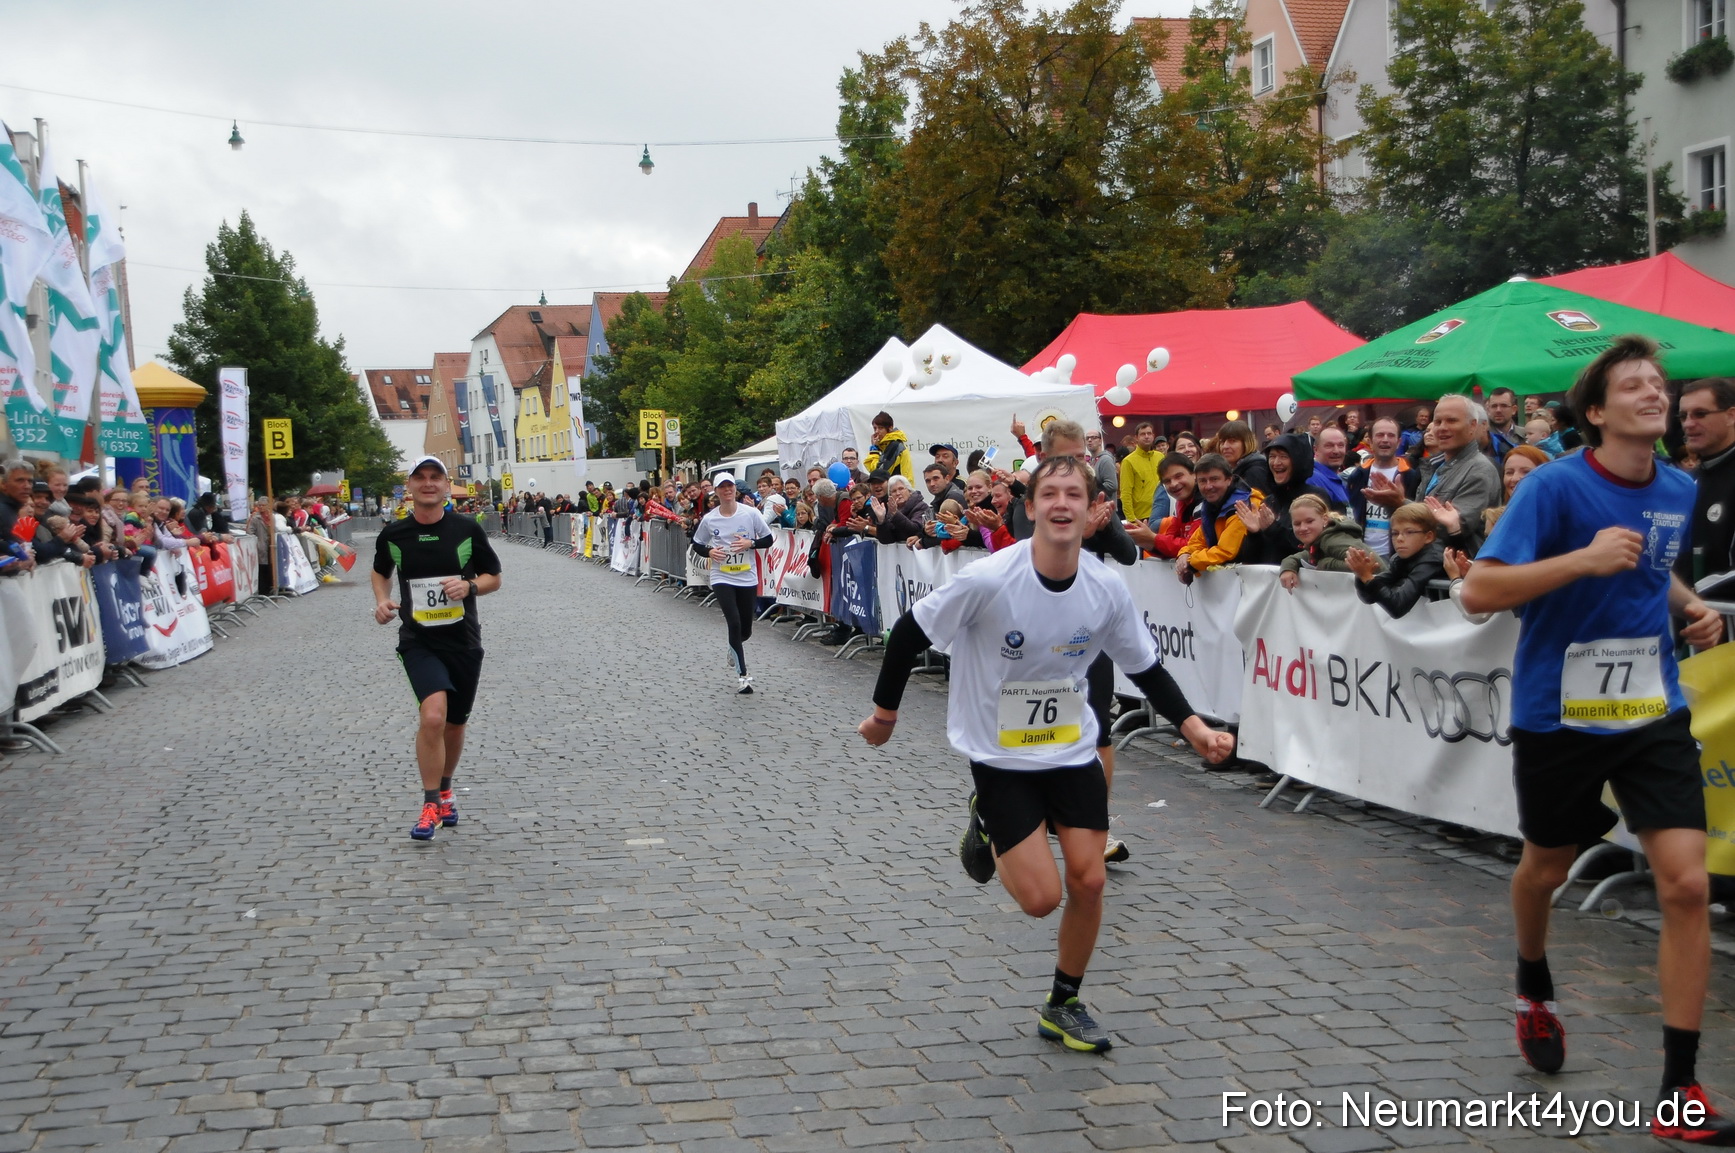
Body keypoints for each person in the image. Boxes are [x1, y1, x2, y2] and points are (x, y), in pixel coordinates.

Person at [857, 455, 1235, 1053]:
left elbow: (1146, 667)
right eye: (1050, 494)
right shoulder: (989, 579)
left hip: (1070, 748)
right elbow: (907, 634)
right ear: (1029, 507)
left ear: (1093, 510)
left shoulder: (1105, 587)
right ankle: (985, 818)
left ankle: (1064, 1003)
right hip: (999, 754)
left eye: (1074, 495)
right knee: (1040, 900)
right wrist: (885, 716)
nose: (1062, 504)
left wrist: (1195, 730)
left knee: (1089, 879)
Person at [1459, 335, 1734, 1141]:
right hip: (1559, 715)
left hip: (1651, 710)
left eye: (1659, 384)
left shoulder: (1677, 485)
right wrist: (1580, 560)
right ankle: (1531, 979)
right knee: (1544, 868)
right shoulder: (1553, 486)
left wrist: (1689, 605)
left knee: (1686, 885)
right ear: (1595, 411)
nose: (1655, 394)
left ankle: (1678, 1088)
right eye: (1634, 385)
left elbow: (1650, 567)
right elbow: (1478, 589)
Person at [371, 456, 503, 841]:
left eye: (435, 477)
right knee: (432, 717)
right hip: (419, 640)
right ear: (409, 486)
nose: (428, 483)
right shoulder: (394, 534)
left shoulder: (466, 529)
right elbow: (380, 570)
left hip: (463, 640)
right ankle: (430, 804)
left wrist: (470, 586)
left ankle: (445, 789)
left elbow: (494, 576)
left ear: (446, 486)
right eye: (420, 477)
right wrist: (382, 600)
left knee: (455, 723)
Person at [690, 476, 774, 693]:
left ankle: (733, 646)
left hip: (747, 577)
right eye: (722, 487)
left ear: (735, 489)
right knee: (734, 623)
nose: (727, 490)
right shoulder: (710, 519)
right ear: (716, 492)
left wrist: (750, 543)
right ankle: (743, 676)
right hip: (722, 577)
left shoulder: (751, 513)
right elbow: (697, 543)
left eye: (730, 486)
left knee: (745, 630)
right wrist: (710, 552)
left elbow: (768, 539)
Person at [1416, 394, 1501, 555]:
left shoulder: (1479, 469)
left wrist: (1400, 505)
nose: (1442, 427)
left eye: (1452, 421)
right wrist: (1397, 502)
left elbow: (1454, 527)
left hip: (1452, 565)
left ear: (1472, 426)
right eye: (1438, 422)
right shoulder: (1435, 465)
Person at [1677, 378, 1735, 586]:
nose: (1688, 424)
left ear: (1731, 416)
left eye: (1700, 414)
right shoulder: (1687, 481)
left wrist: (1697, 594)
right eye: (1683, 416)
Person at [1345, 502, 1443, 618]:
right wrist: (1362, 575)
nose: (1399, 538)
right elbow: (1369, 598)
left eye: (1409, 532)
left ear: (1428, 537)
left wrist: (1366, 576)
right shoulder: (1399, 558)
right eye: (1395, 533)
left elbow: (1398, 607)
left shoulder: (1432, 560)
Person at [1175, 454, 1258, 580]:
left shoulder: (1243, 505)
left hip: (1252, 582)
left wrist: (1191, 562)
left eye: (1214, 479)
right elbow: (1197, 541)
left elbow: (1226, 551)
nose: (1208, 486)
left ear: (1229, 479)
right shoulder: (1212, 505)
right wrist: (1185, 553)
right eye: (1202, 481)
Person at [1345, 417, 1418, 557]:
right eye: (1380, 435)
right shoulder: (1357, 475)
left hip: (1397, 555)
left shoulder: (1411, 477)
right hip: (1362, 553)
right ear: (1370, 441)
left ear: (1399, 442)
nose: (1385, 439)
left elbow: (1418, 518)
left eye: (1391, 435)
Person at [1278, 495, 1367, 591]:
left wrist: (1324, 563)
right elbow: (1300, 557)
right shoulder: (1319, 541)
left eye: (1309, 521)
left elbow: (1369, 564)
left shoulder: (1332, 540)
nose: (1303, 528)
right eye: (1297, 524)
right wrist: (1288, 568)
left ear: (1325, 519)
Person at [1117, 422, 1162, 522]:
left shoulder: (1160, 457)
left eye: (1149, 433)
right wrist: (1132, 520)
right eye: (1143, 434)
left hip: (1162, 512)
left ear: (1153, 436)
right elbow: (1125, 493)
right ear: (1136, 438)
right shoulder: (1128, 461)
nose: (1146, 436)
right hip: (1142, 517)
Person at [864, 412, 914, 484]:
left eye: (880, 428)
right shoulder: (887, 445)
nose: (877, 431)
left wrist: (874, 449)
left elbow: (878, 473)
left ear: (890, 428)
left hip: (900, 488)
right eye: (875, 428)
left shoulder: (894, 446)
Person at [1486, 387, 1525, 458]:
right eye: (1494, 406)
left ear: (1514, 410)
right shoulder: (1483, 436)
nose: (1498, 410)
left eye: (1504, 406)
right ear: (1488, 410)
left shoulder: (1526, 435)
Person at [1083, 429, 1119, 503]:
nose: (1089, 440)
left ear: (1100, 441)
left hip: (1107, 506)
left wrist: (1089, 490)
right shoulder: (1091, 460)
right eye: (1087, 438)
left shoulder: (1105, 460)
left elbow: (1112, 485)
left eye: (1093, 437)